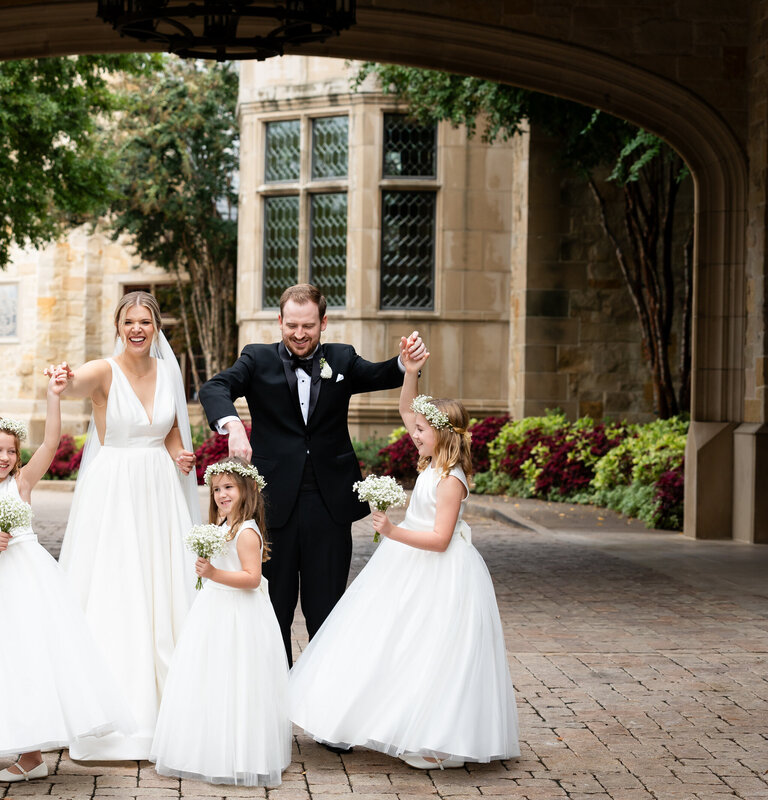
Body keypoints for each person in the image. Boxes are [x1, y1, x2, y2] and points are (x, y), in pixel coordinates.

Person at [287, 343, 519, 769]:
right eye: (416, 429)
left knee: (432, 650)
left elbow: (441, 539)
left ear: (444, 435)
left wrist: (393, 531)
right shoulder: (432, 464)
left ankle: (436, 736)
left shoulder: (450, 480)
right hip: (407, 564)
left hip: (441, 571)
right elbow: (408, 408)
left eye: (422, 430)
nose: (413, 432)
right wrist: (410, 373)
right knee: (388, 641)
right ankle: (371, 717)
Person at [0, 372, 132, 787]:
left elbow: (52, 441)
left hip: (26, 583)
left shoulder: (22, 484)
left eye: (11, 451)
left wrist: (53, 397)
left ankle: (31, 755)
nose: (4, 457)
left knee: (26, 658)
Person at [199, 283, 427, 664]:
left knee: (328, 610)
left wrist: (406, 363)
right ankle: (278, 697)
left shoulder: (342, 357)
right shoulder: (256, 359)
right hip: (272, 506)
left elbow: (381, 374)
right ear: (280, 321)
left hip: (330, 505)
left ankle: (322, 703)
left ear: (323, 323)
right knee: (274, 609)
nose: (299, 334)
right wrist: (234, 425)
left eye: (308, 325)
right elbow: (215, 387)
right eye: (291, 325)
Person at [56, 290, 202, 761]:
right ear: (118, 326)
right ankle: (103, 710)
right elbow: (76, 383)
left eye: (146, 321)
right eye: (129, 321)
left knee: (163, 587)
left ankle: (168, 709)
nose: (137, 329)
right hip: (114, 490)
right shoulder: (104, 370)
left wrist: (179, 453)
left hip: (159, 489)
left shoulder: (169, 371)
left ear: (156, 326)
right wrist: (62, 377)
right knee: (114, 587)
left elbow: (172, 429)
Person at [150, 457, 292, 786]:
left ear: (247, 490)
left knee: (238, 680)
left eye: (228, 487)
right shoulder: (221, 527)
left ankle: (241, 754)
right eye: (216, 489)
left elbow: (252, 578)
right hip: (213, 609)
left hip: (240, 615)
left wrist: (213, 572)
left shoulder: (245, 532)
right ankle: (209, 747)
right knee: (211, 677)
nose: (221, 495)